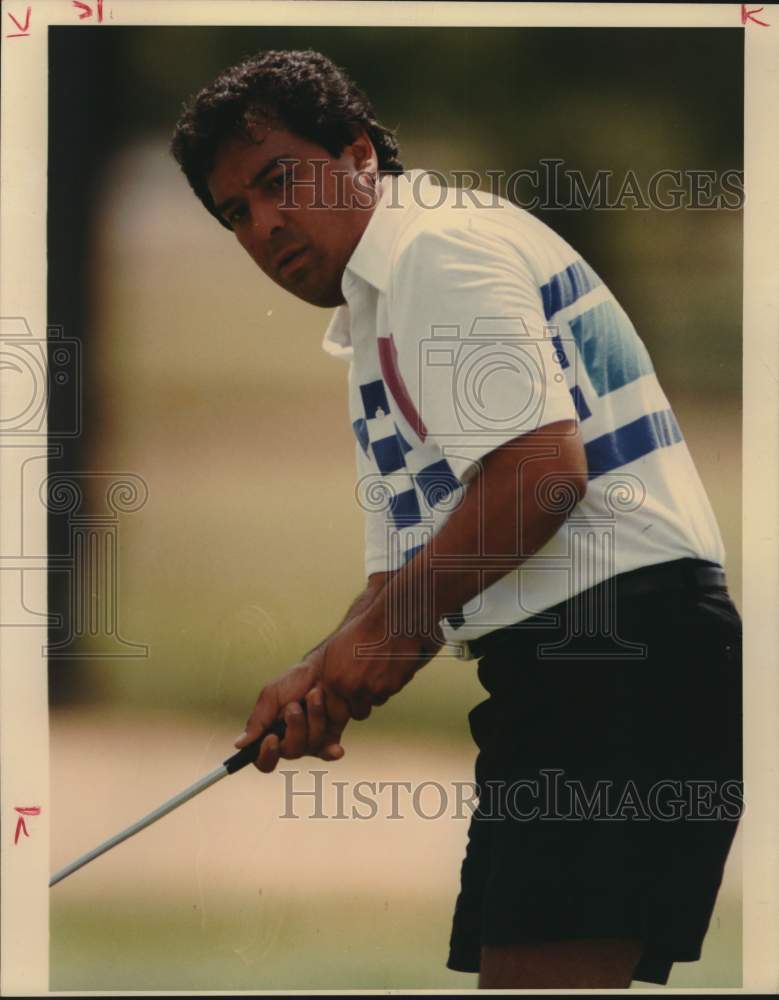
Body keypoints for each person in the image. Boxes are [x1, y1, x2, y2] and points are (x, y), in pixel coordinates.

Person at [170, 49, 742, 989]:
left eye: (281, 181)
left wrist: (391, 632)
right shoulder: (383, 298)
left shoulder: (434, 250)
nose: (266, 224)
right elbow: (411, 570)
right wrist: (321, 669)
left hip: (614, 661)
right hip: (597, 669)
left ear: (357, 153)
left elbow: (540, 475)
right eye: (237, 212)